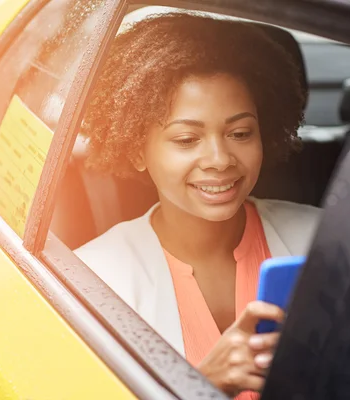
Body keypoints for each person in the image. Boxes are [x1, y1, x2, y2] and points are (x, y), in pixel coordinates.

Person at [75, 12, 320, 398]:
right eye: (187, 139)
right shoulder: (93, 278)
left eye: (240, 133)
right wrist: (201, 383)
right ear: (138, 149)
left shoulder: (325, 238)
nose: (220, 159)